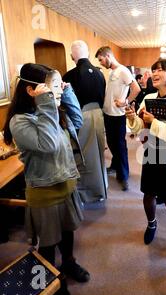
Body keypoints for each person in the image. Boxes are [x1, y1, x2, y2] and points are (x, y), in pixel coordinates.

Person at [3, 63, 90, 286]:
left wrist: (67, 93)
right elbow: (48, 144)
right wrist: (47, 103)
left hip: (66, 182)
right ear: (31, 90)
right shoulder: (19, 120)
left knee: (68, 231)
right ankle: (48, 281)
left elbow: (78, 122)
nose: (56, 91)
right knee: (49, 243)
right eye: (51, 86)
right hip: (44, 190)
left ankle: (69, 262)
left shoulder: (51, 111)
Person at [126, 59, 166, 257]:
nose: (154, 73)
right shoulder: (149, 97)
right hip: (151, 152)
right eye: (153, 69)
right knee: (148, 195)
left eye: (160, 70)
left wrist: (153, 122)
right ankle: (151, 224)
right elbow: (139, 128)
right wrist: (131, 118)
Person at [63, 40, 108, 204]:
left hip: (82, 117)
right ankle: (102, 188)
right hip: (99, 115)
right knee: (99, 154)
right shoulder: (99, 73)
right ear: (88, 54)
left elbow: (67, 103)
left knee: (85, 157)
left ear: (71, 56)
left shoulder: (69, 76)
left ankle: (90, 194)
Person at [95, 46, 141, 191]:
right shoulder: (113, 72)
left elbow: (136, 88)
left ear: (108, 56)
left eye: (101, 60)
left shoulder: (122, 70)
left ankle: (123, 176)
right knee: (112, 143)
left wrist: (126, 102)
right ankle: (115, 166)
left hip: (117, 116)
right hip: (108, 114)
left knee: (119, 146)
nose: (101, 63)